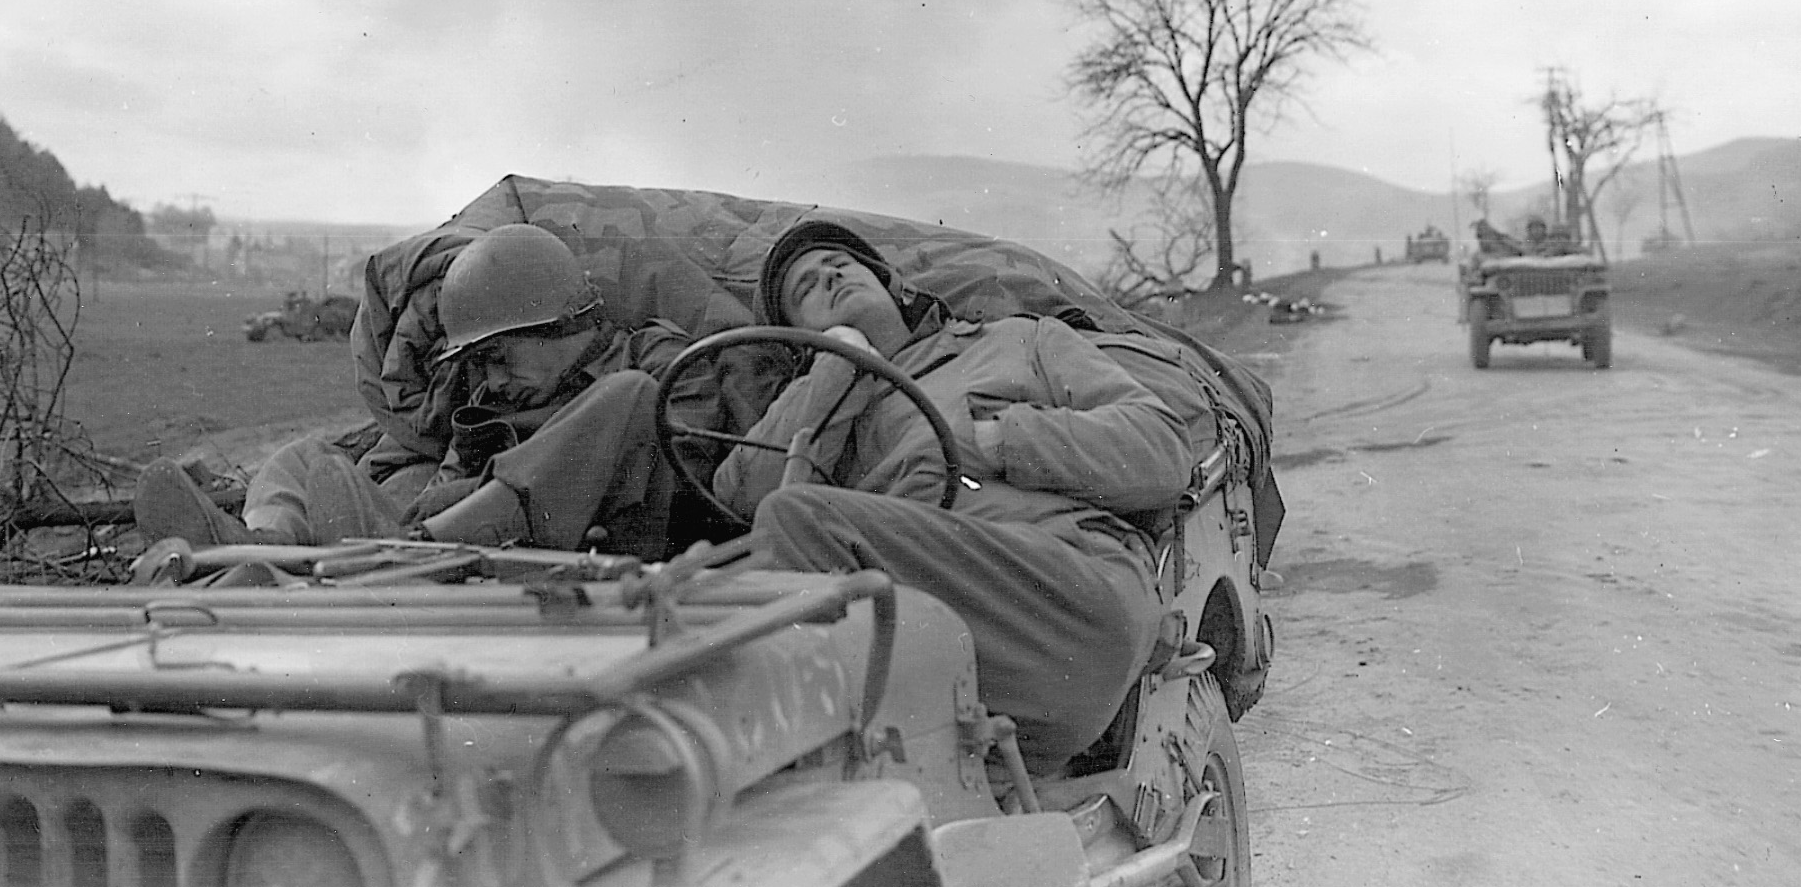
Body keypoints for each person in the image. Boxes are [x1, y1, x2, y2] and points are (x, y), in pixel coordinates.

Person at [714, 221, 1197, 775]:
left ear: (890, 283)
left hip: (1069, 594)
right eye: (805, 290)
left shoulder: (1015, 341)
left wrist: (1006, 439)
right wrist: (833, 369)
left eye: (840, 264)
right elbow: (745, 499)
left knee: (798, 520)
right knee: (786, 526)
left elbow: (1161, 447)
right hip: (934, 649)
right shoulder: (826, 411)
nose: (829, 276)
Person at [134, 223, 736, 559]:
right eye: (480, 361)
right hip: (464, 539)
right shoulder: (497, 400)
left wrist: (584, 434)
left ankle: (391, 554)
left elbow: (688, 464)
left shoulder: (651, 359)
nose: (491, 376)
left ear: (553, 327)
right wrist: (419, 513)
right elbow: (451, 480)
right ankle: (259, 551)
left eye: (499, 354)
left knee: (629, 397)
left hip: (594, 542)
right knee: (306, 459)